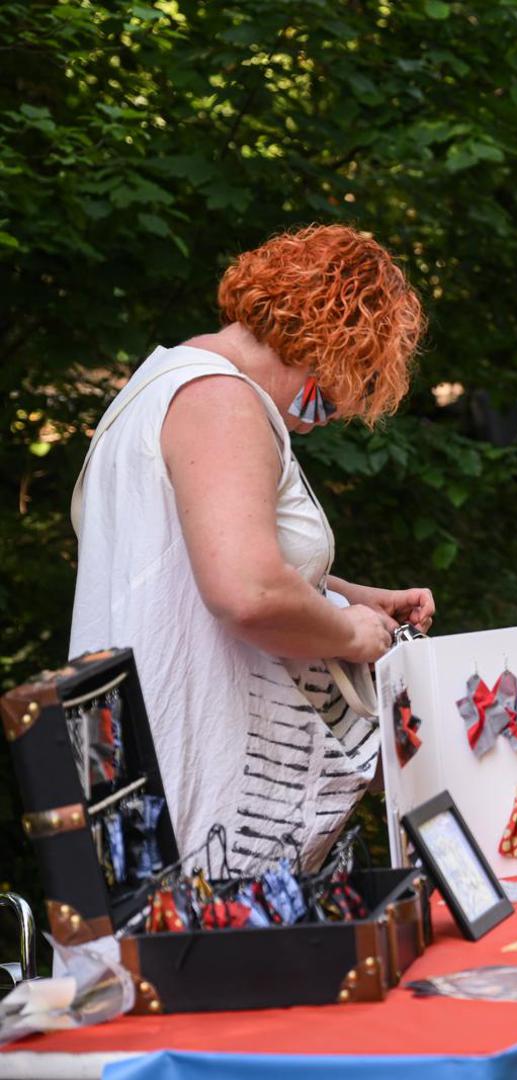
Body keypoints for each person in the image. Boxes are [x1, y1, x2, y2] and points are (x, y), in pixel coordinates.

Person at [70, 224, 433, 873]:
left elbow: (198, 560)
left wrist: (351, 595)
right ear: (333, 336)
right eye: (336, 392)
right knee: (200, 961)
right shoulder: (220, 401)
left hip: (135, 760)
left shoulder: (162, 381)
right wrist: (350, 635)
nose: (324, 417)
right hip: (197, 769)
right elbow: (248, 590)